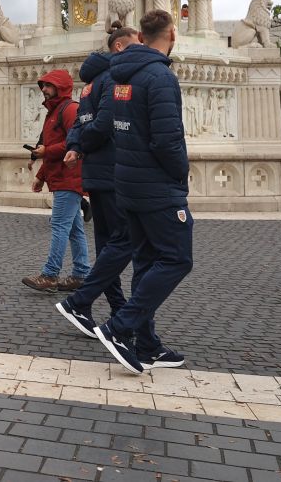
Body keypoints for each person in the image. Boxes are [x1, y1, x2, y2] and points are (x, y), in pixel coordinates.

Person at [57, 27, 173, 363]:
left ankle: (117, 312)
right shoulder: (113, 78)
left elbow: (80, 122)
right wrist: (84, 144)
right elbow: (106, 122)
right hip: (113, 171)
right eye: (135, 44)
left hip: (97, 173)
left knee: (110, 246)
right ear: (119, 46)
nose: (141, 49)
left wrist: (77, 146)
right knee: (126, 243)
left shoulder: (89, 84)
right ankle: (81, 303)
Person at [94, 9, 191, 374]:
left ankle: (147, 345)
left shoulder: (121, 76)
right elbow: (167, 139)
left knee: (146, 261)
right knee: (177, 258)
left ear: (141, 36)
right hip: (157, 186)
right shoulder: (160, 77)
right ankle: (119, 327)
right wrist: (180, 173)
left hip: (127, 183)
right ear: (172, 34)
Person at [21, 69, 90, 292]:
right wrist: (41, 176)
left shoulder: (69, 109)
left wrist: (46, 151)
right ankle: (81, 274)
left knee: (59, 226)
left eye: (48, 85)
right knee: (74, 230)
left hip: (69, 178)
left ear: (60, 87)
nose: (44, 89)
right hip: (61, 177)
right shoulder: (53, 112)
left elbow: (75, 141)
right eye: (43, 85)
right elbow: (51, 149)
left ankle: (50, 275)